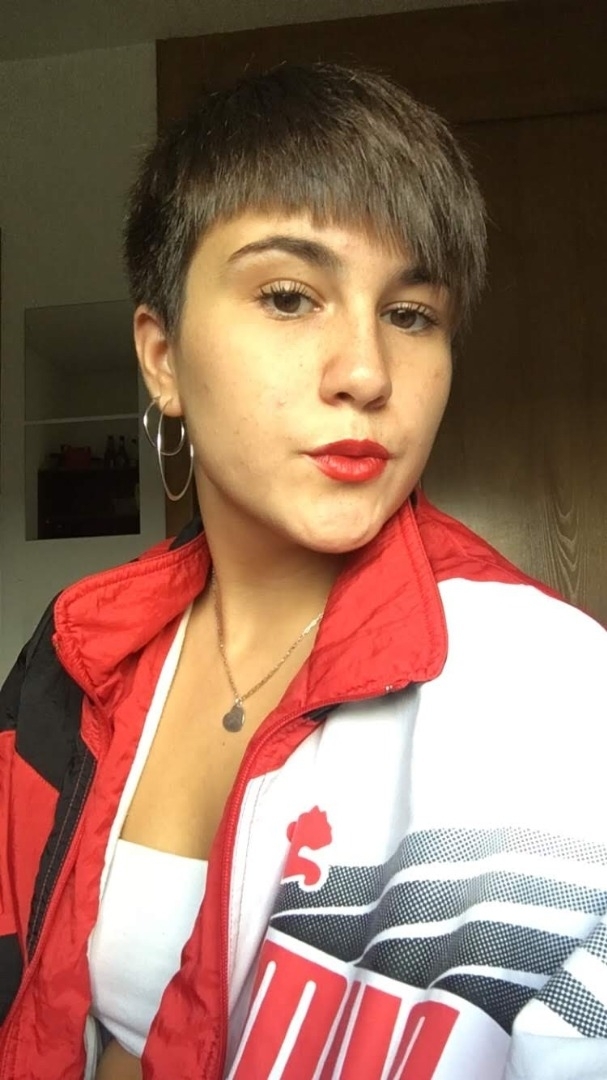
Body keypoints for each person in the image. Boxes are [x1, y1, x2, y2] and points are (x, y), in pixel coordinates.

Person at [0, 61, 606, 1080]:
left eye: (410, 314)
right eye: (289, 298)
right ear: (162, 357)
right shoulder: (75, 655)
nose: (366, 373)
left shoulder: (552, 695)